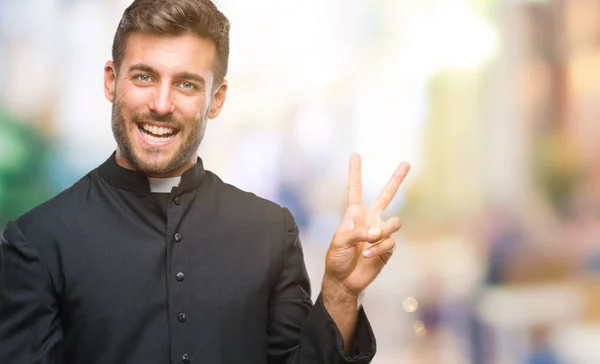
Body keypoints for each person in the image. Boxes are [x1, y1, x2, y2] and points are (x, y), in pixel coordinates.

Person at [0, 0, 410, 363]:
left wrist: (340, 291)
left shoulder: (269, 230)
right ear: (111, 80)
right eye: (143, 77)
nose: (161, 104)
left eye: (186, 84)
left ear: (216, 99)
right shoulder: (37, 242)